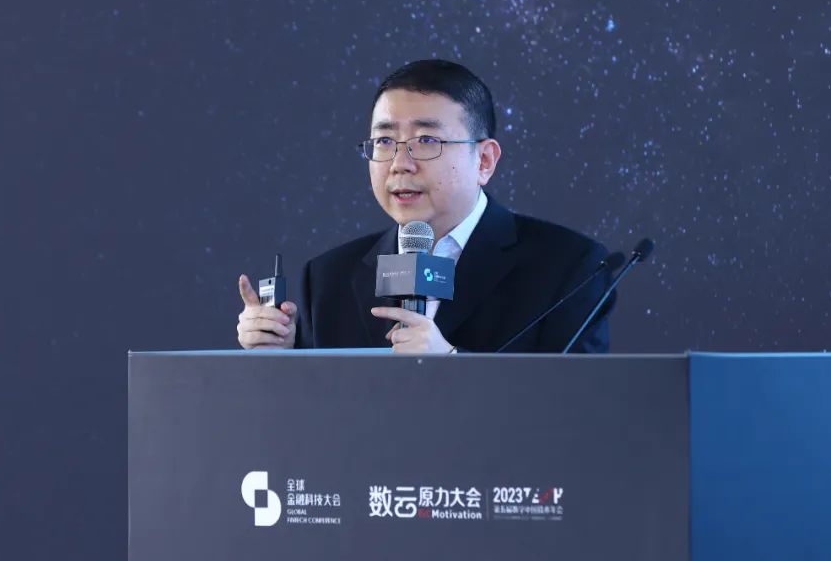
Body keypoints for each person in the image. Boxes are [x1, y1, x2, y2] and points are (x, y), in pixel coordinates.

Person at [236, 59, 614, 353]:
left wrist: (452, 364)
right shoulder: (326, 278)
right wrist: (282, 357)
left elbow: (578, 410)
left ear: (484, 161)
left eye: (427, 141)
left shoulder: (570, 269)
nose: (400, 163)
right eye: (385, 142)